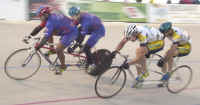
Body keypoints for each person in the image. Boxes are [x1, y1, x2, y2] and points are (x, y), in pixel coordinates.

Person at [23, 6, 79, 75]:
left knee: (58, 49)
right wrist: (29, 36)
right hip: (65, 29)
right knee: (47, 31)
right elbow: (38, 28)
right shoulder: (47, 18)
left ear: (45, 15)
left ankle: (63, 67)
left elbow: (45, 38)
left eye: (40, 16)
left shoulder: (51, 22)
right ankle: (52, 50)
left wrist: (37, 47)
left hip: (71, 33)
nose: (39, 18)